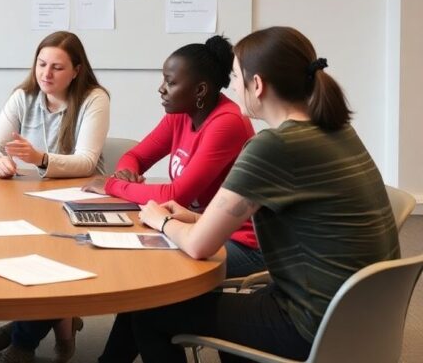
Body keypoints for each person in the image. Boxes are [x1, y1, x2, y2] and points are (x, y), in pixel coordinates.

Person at [131, 27, 400, 362]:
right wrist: (197, 218)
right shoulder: (338, 131)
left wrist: (162, 221)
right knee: (232, 315)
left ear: (256, 85)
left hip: (308, 322)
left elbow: (200, 246)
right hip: (359, 320)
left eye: (236, 78)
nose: (232, 88)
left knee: (149, 311)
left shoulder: (274, 145)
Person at [80, 36, 261, 363]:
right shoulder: (181, 113)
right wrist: (125, 174)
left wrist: (112, 186)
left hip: (242, 240)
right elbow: (136, 155)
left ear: (200, 90)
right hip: (195, 227)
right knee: (142, 289)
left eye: (170, 82)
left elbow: (178, 194)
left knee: (148, 294)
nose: (161, 89)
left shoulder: (227, 123)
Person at [0, 30, 110, 363]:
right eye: (41, 64)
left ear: (76, 70)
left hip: (78, 201)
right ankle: (61, 320)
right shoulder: (24, 96)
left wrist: (41, 159)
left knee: (52, 259)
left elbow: (88, 161)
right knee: (19, 254)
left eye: (57, 67)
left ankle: (20, 341)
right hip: (30, 198)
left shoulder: (94, 98)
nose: (46, 74)